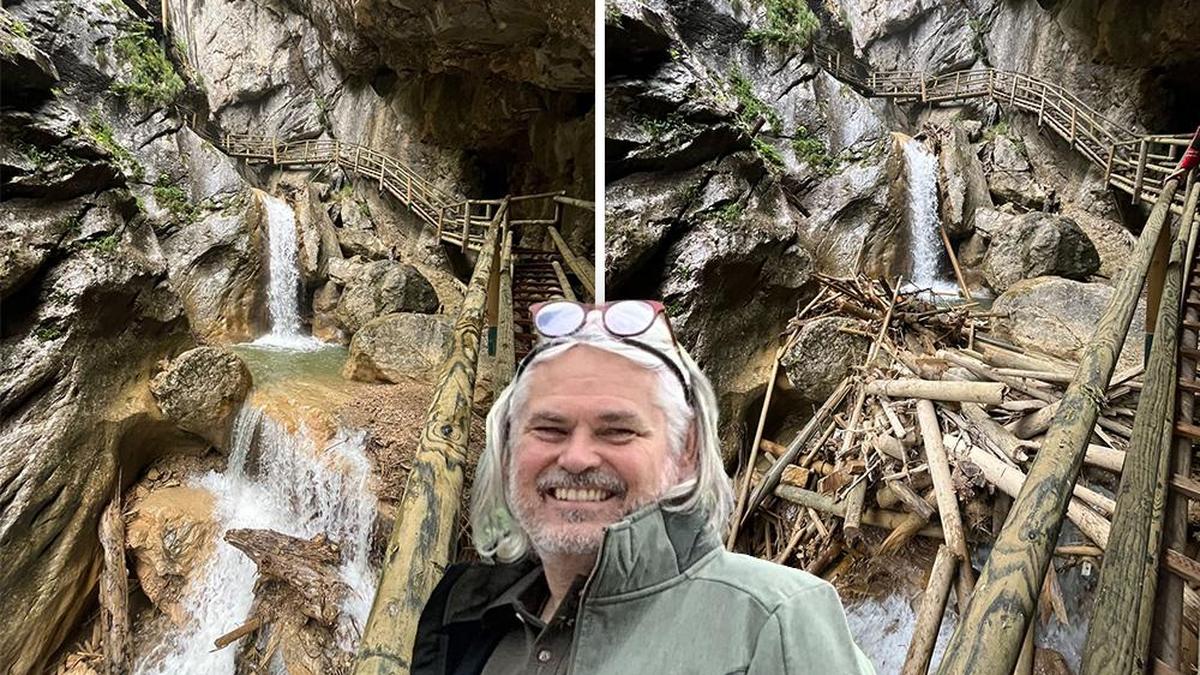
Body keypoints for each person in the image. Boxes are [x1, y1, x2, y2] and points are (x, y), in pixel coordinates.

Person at [411, 300, 875, 674]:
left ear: (686, 449)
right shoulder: (463, 619)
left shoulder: (773, 621)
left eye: (618, 431)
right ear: (508, 447)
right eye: (549, 429)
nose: (576, 458)